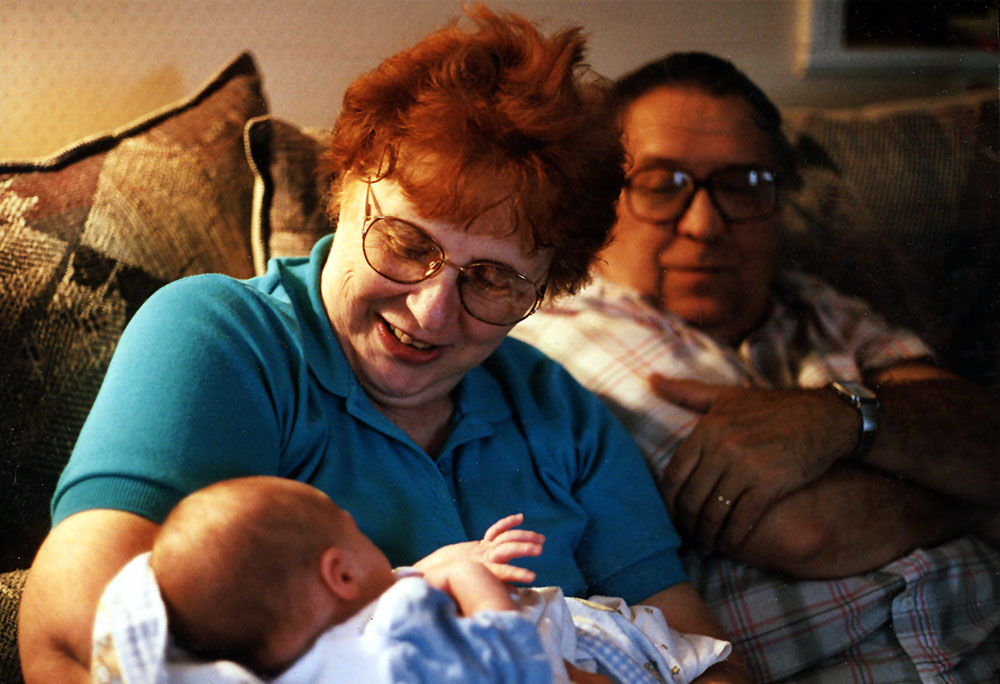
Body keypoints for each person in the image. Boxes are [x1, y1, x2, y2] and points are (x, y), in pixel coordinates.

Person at [19, 13, 749, 684]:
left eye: (493, 279)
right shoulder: (223, 339)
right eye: (406, 243)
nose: (431, 311)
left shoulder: (562, 414)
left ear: (546, 287)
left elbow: (705, 661)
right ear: (343, 188)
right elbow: (70, 632)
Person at [512, 51, 1000, 682]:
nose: (705, 224)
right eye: (662, 185)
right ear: (600, 199)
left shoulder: (817, 305)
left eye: (743, 185)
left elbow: (984, 438)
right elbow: (802, 528)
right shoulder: (569, 337)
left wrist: (836, 419)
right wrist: (975, 505)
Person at [90, 477, 731, 684]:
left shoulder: (318, 655)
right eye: (353, 532)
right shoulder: (395, 641)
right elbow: (514, 663)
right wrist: (476, 578)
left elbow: (410, 579)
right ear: (338, 571)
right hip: (604, 659)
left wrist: (459, 560)